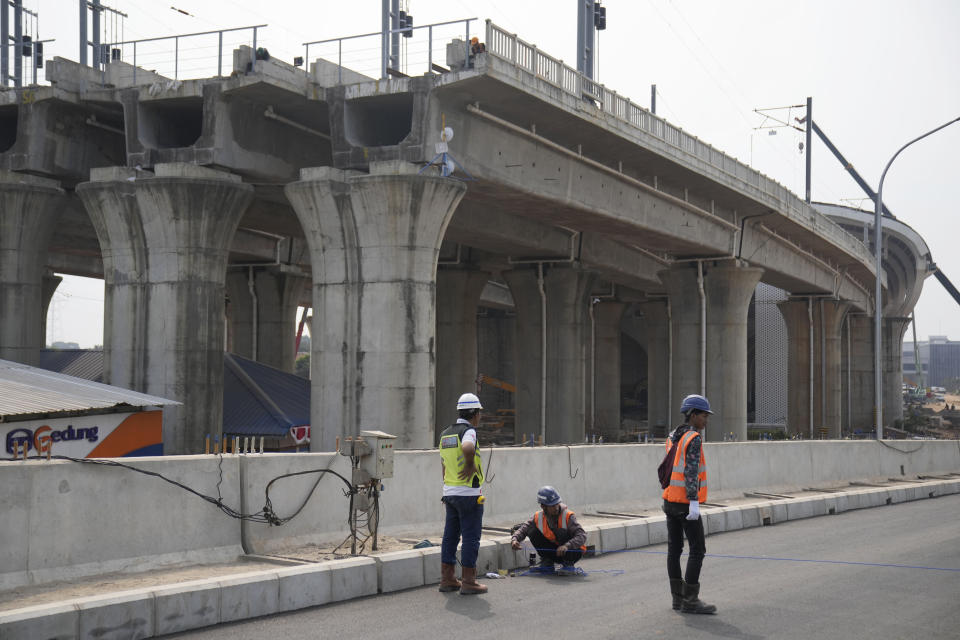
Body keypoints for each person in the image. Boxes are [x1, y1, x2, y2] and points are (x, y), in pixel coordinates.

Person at [662, 394, 717, 614]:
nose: (706, 421)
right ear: (693, 415)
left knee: (674, 549)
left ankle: (677, 599)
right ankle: (690, 600)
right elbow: (690, 471)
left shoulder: (673, 436)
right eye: (704, 416)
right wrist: (694, 502)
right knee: (698, 549)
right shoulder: (693, 438)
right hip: (685, 502)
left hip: (669, 499)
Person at [438, 392, 487, 595]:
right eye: (479, 413)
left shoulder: (445, 433)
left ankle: (448, 578)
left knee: (450, 536)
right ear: (474, 413)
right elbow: (467, 446)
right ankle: (469, 581)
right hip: (469, 494)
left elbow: (443, 463)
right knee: (470, 537)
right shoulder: (469, 431)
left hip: (450, 491)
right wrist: (469, 464)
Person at [510, 485, 587, 576]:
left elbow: (582, 535)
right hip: (555, 552)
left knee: (562, 532)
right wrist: (514, 539)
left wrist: (567, 546)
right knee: (532, 531)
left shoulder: (568, 516)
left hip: (572, 552)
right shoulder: (538, 517)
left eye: (557, 503)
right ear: (543, 506)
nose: (556, 507)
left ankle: (568, 565)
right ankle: (547, 563)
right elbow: (523, 529)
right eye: (552, 505)